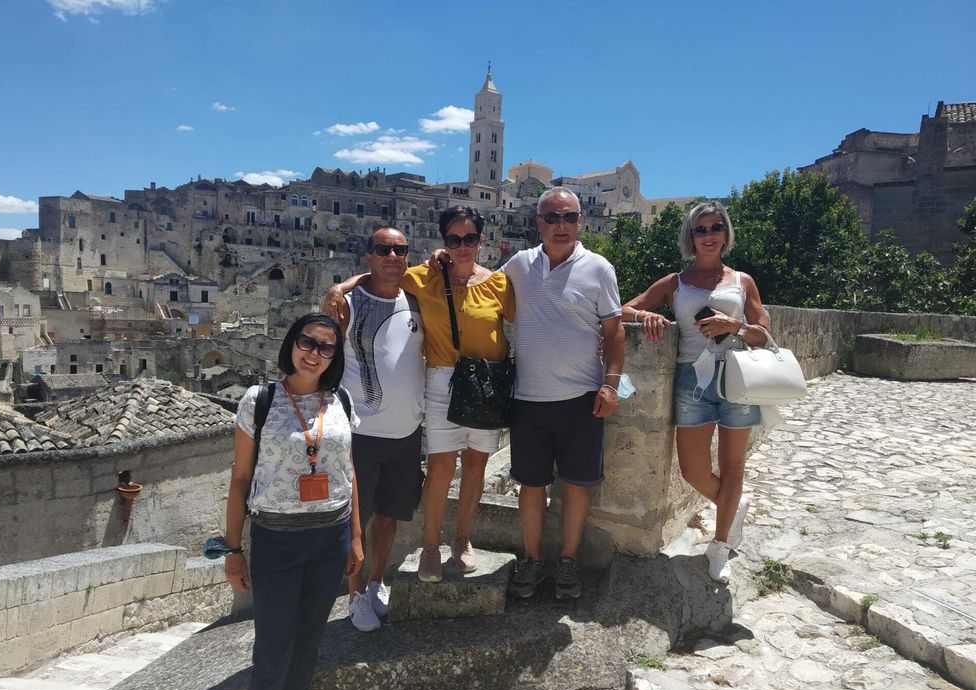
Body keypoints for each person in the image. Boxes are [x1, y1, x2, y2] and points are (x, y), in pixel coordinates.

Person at [327, 207, 514, 584]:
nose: (462, 247)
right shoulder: (425, 276)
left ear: (481, 241)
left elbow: (523, 325)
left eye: (470, 239)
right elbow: (381, 273)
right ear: (444, 242)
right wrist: (340, 288)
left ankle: (461, 539)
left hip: (487, 384)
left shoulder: (499, 284)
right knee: (442, 467)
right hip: (444, 380)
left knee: (476, 465)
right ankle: (431, 546)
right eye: (454, 240)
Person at [224, 313, 364, 690]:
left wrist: (356, 537)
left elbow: (349, 471)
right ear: (292, 343)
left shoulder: (340, 398)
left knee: (308, 644)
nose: (315, 353)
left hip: (331, 537)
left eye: (327, 347)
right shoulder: (259, 401)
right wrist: (232, 549)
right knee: (271, 651)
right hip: (277, 540)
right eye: (308, 342)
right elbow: (241, 477)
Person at [620, 200, 768, 584]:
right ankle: (731, 508)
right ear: (691, 235)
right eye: (700, 229)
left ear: (725, 233)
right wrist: (647, 315)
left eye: (715, 227)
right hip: (692, 378)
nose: (708, 235)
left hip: (737, 374)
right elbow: (623, 310)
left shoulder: (742, 281)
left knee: (734, 465)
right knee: (692, 470)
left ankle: (719, 546)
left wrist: (732, 325)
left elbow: (763, 334)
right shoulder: (675, 283)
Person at [498, 187, 625, 600]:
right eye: (552, 218)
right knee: (531, 486)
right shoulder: (519, 265)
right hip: (528, 398)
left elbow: (615, 329)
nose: (561, 225)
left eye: (569, 217)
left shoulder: (599, 268)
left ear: (580, 222)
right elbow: (479, 287)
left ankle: (568, 561)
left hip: (581, 398)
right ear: (538, 223)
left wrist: (610, 382)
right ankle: (533, 560)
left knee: (576, 485)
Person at [334, 227, 425, 631]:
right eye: (383, 249)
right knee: (355, 519)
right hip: (360, 433)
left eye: (400, 249)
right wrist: (342, 286)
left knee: (388, 516)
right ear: (368, 256)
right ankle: (353, 595)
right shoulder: (348, 304)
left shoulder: (418, 301)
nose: (393, 255)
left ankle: (376, 582)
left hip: (406, 433)